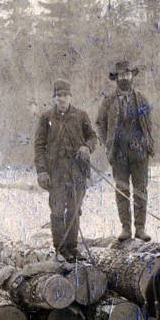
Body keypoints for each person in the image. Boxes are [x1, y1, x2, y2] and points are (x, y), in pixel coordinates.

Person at [34, 79, 98, 260]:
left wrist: (87, 147)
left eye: (64, 95)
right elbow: (39, 146)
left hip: (77, 172)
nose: (61, 99)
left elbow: (93, 137)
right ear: (53, 98)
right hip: (55, 174)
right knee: (57, 210)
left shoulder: (81, 115)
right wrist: (42, 171)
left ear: (70, 96)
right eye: (58, 96)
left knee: (74, 210)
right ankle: (60, 249)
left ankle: (73, 248)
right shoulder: (46, 118)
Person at [96, 60, 154, 242]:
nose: (125, 78)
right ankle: (126, 228)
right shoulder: (108, 101)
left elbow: (148, 124)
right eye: (121, 75)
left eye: (128, 74)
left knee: (140, 190)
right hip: (118, 153)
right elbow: (100, 124)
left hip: (139, 153)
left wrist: (147, 143)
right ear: (116, 78)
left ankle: (141, 228)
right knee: (122, 191)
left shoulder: (142, 99)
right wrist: (106, 144)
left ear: (132, 76)